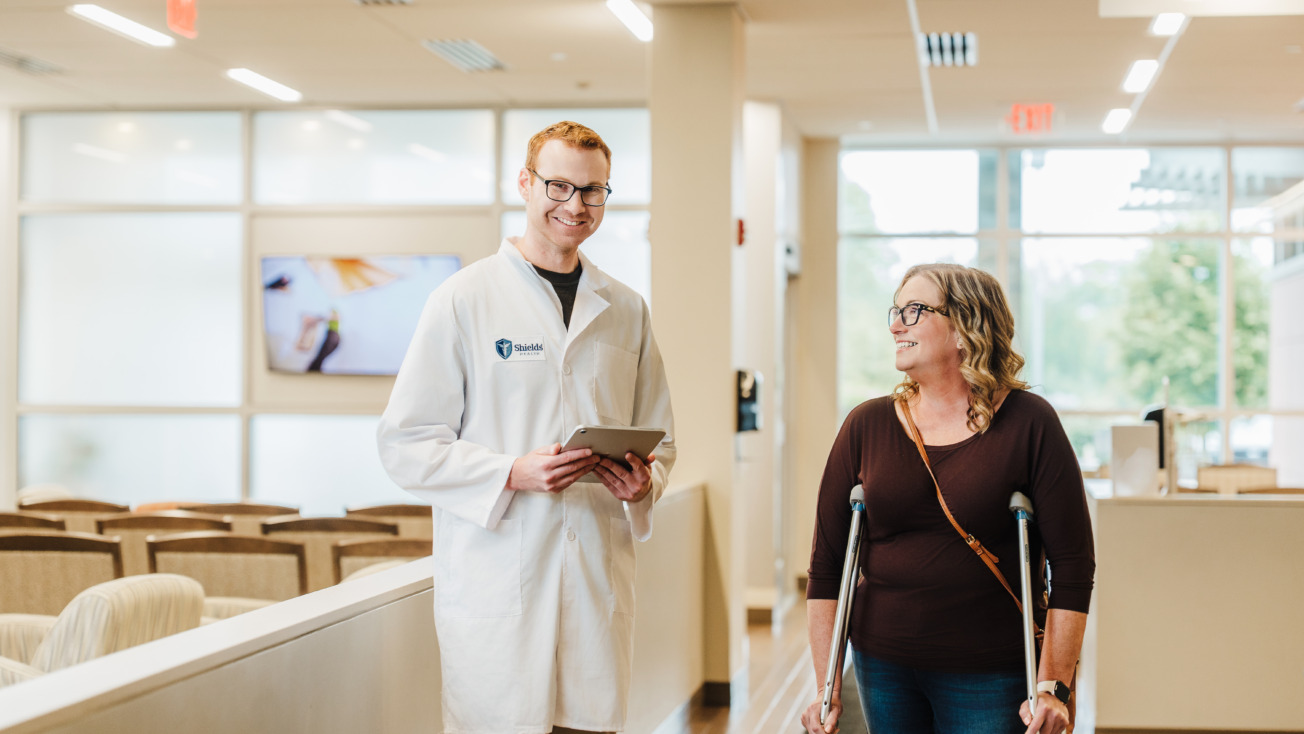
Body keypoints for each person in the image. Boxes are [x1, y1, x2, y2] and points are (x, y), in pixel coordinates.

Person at [376, 121, 676, 734]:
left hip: (594, 585)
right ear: (525, 183)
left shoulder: (626, 310)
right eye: (559, 185)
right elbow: (405, 443)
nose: (575, 205)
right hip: (498, 593)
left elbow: (662, 438)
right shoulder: (463, 299)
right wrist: (510, 472)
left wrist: (643, 485)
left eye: (593, 191)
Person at [801, 263, 1094, 734]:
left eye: (914, 310)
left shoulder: (1029, 424)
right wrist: (827, 682)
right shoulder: (866, 425)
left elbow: (1074, 566)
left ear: (964, 327)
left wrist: (1053, 686)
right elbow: (827, 567)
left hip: (992, 670)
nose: (896, 323)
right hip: (883, 663)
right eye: (894, 311)